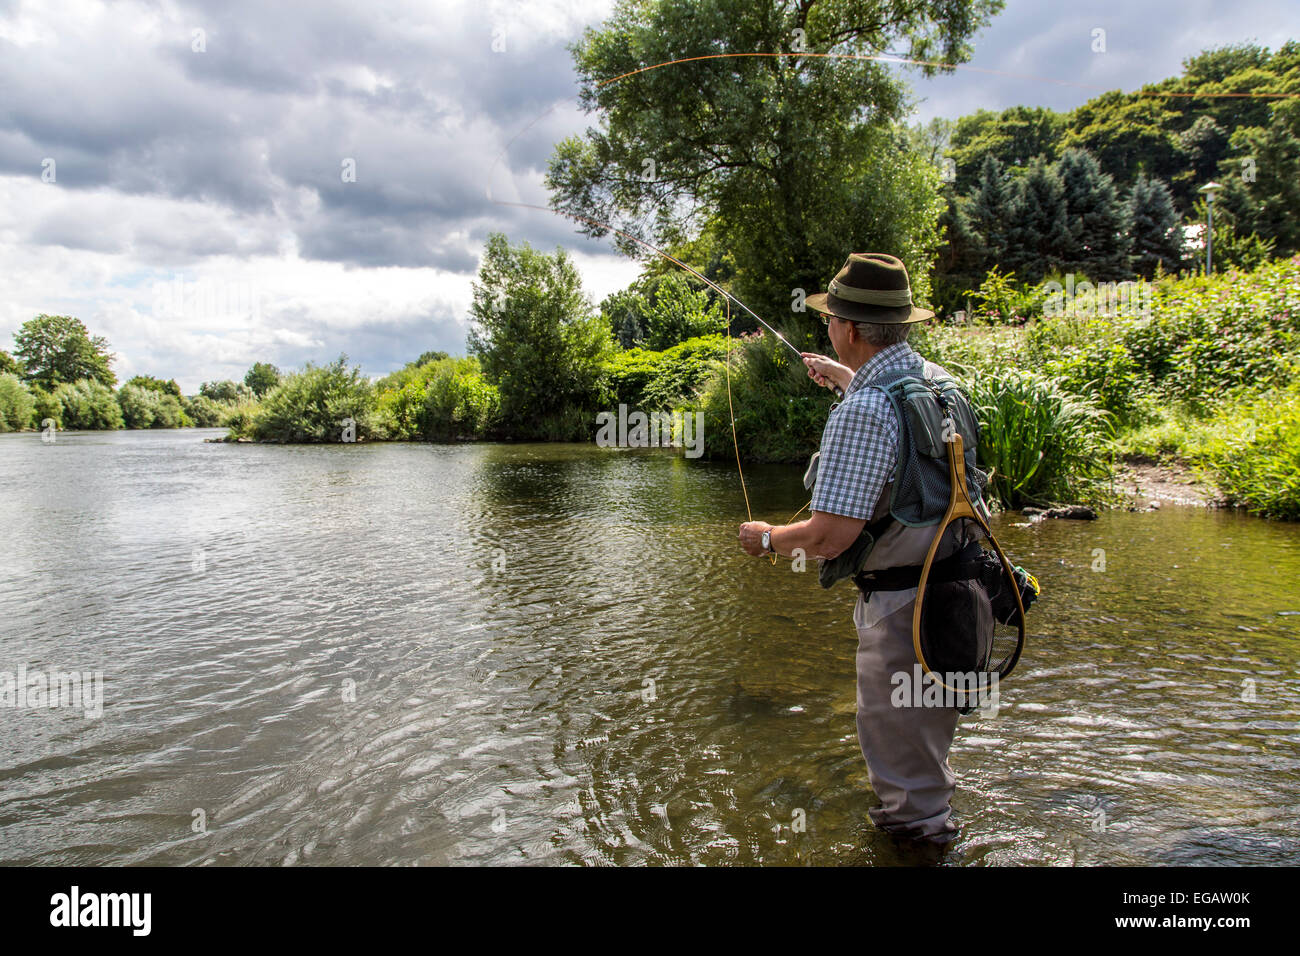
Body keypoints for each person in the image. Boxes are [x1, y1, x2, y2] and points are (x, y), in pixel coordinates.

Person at [738, 252, 981, 844]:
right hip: (962, 597)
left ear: (847, 329)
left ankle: (919, 848)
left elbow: (828, 537)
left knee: (907, 795)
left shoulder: (864, 413)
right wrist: (844, 378)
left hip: (903, 617)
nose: (828, 328)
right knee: (925, 750)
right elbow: (902, 421)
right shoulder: (941, 385)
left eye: (830, 319)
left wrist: (767, 539)